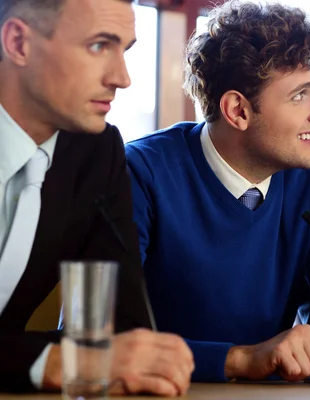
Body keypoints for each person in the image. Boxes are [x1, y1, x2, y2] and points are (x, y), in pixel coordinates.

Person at [125, 0, 310, 383]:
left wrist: (295, 354)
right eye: (300, 95)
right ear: (238, 111)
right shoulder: (139, 172)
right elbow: (101, 340)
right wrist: (240, 360)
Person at [0, 0, 193, 395]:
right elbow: (89, 358)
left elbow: (122, 326)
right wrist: (58, 360)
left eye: (125, 49)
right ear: (18, 42)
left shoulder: (97, 150)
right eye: (98, 46)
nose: (122, 78)